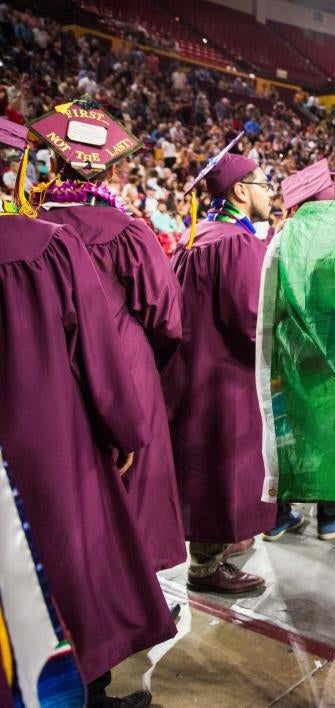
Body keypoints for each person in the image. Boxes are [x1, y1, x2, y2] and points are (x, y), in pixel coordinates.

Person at [0, 117, 174, 708]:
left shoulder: (48, 233)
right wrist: (126, 426)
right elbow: (150, 324)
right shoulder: (49, 246)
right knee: (70, 554)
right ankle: (84, 688)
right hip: (51, 426)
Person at [32, 99, 187, 573]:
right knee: (133, 489)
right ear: (111, 173)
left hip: (53, 375)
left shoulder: (29, 229)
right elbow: (166, 318)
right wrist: (144, 362)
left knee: (71, 488)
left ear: (54, 164)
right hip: (125, 368)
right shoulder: (127, 231)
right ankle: (134, 600)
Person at [162, 135, 277, 594]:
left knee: (203, 466)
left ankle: (209, 553)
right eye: (264, 184)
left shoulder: (196, 237)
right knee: (222, 467)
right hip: (226, 379)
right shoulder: (234, 243)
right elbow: (254, 319)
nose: (271, 193)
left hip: (191, 375)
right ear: (241, 191)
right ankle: (207, 566)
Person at [265, 158, 335, 542]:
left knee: (284, 432)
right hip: (322, 356)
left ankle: (277, 515)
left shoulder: (278, 239)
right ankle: (329, 516)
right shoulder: (334, 246)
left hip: (281, 352)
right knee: (328, 433)